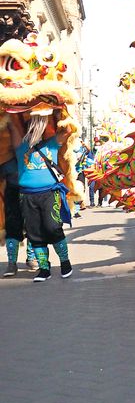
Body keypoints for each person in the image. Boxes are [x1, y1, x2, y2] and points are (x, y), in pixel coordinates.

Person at [7, 109, 74, 282]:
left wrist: (58, 112)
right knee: (34, 233)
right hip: (27, 196)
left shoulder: (51, 143)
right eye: (30, 124)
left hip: (49, 194)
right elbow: (11, 126)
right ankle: (44, 269)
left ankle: (65, 263)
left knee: (53, 228)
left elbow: (68, 130)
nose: (33, 127)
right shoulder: (21, 146)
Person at [1, 152, 38, 276]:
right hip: (11, 188)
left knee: (32, 225)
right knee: (12, 226)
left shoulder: (33, 142)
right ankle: (12, 263)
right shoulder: (5, 145)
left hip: (32, 188)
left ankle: (31, 257)